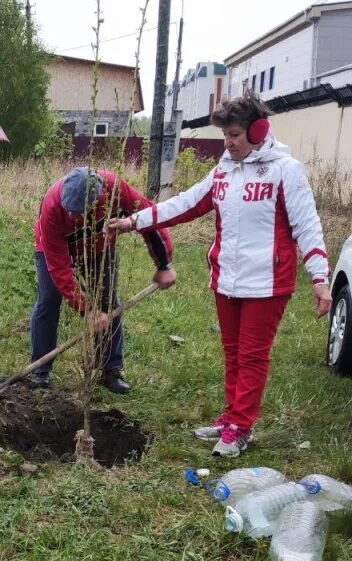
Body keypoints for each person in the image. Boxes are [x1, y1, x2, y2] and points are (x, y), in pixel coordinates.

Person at [108, 95, 331, 457]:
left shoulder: (285, 170)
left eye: (235, 135)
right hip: (227, 278)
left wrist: (319, 278)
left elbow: (308, 226)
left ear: (258, 131)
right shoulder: (224, 170)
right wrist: (134, 221)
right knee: (232, 353)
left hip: (268, 281)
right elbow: (184, 203)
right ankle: (231, 418)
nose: (228, 143)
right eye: (225, 135)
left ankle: (242, 428)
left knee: (253, 355)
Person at [31, 167, 176, 394]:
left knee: (109, 300)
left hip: (99, 247)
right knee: (49, 300)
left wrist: (164, 264)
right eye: (69, 210)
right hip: (55, 249)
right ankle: (40, 371)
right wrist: (86, 309)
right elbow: (59, 268)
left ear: (98, 200)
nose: (72, 216)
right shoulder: (51, 207)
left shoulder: (114, 188)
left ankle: (111, 370)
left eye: (79, 212)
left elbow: (147, 217)